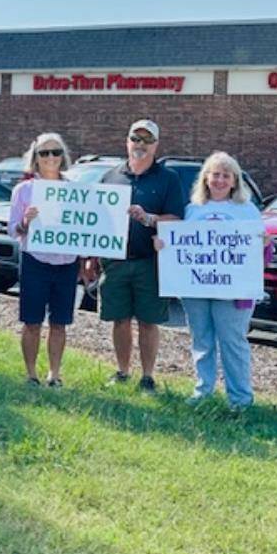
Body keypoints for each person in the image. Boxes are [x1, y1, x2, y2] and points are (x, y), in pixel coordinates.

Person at [154, 152, 265, 410]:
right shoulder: (192, 210)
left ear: (235, 181)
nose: (220, 180)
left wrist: (265, 245)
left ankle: (240, 399)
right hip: (196, 289)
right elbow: (178, 245)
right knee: (201, 340)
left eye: (226, 175)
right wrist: (163, 245)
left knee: (233, 342)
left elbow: (261, 252)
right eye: (215, 174)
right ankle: (203, 391)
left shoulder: (247, 211)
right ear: (205, 179)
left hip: (234, 291)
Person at [83, 119, 184, 392]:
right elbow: (98, 220)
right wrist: (92, 255)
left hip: (149, 263)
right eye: (135, 138)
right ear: (127, 141)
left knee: (148, 321)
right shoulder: (111, 176)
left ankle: (148, 376)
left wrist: (150, 218)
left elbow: (176, 218)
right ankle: (122, 371)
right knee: (120, 319)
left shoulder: (168, 179)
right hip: (115, 262)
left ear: (156, 145)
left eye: (146, 140)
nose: (140, 144)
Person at [8, 133, 79, 386]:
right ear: (35, 158)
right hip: (35, 261)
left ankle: (54, 374)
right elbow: (12, 230)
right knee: (32, 322)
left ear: (63, 157)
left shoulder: (75, 190)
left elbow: (87, 227)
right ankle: (31, 374)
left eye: (56, 152)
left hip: (67, 263)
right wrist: (26, 221)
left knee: (59, 323)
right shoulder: (24, 190)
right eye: (44, 153)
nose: (51, 158)